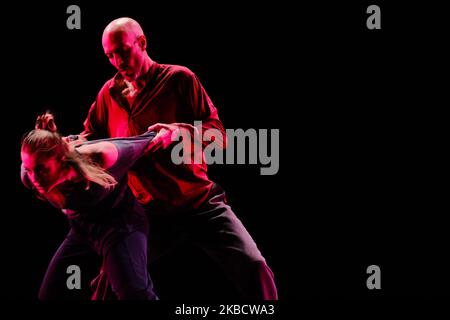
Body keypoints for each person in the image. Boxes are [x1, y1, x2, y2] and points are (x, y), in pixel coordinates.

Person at [82, 17, 278, 299]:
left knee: (254, 266)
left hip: (198, 203)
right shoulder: (108, 94)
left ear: (142, 43)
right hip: (149, 212)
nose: (117, 61)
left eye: (122, 51)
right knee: (111, 279)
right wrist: (64, 143)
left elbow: (219, 137)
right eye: (109, 55)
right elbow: (90, 137)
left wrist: (178, 132)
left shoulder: (178, 79)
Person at [21, 113, 159, 300]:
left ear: (61, 159)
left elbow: (145, 142)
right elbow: (34, 165)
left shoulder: (102, 156)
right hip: (82, 231)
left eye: (41, 169)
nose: (35, 178)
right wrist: (45, 139)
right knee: (51, 294)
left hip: (120, 227)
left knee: (134, 293)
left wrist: (169, 133)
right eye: (29, 170)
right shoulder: (30, 178)